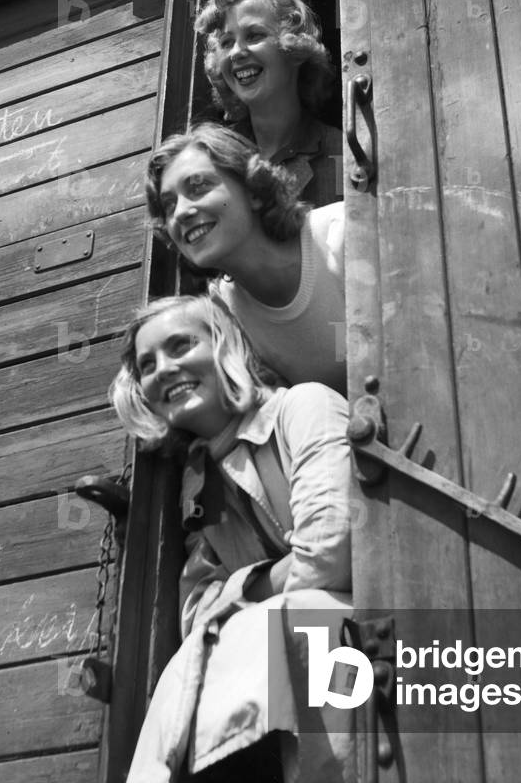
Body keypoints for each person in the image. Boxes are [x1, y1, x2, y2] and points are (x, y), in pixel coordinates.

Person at [112, 294, 354, 782]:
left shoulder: (305, 407)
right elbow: (196, 609)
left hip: (350, 647)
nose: (163, 369)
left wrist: (243, 591)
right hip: (275, 672)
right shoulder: (197, 483)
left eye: (181, 345)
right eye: (147, 364)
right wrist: (259, 587)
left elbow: (331, 551)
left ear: (226, 346)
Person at [146, 123, 345, 395]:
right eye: (169, 205)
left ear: (253, 190)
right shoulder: (224, 314)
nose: (180, 212)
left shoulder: (340, 234)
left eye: (198, 187)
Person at [194, 0, 342, 207]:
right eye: (227, 42)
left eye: (254, 35)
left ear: (293, 48)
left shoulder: (342, 152)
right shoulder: (209, 162)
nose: (237, 52)